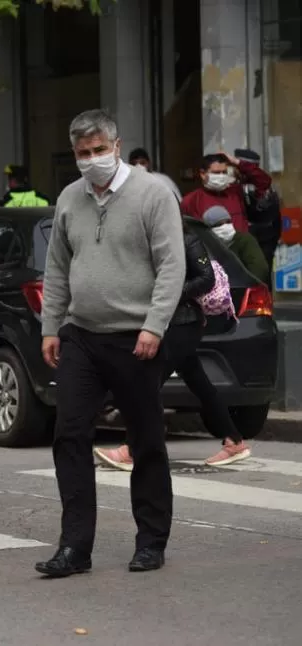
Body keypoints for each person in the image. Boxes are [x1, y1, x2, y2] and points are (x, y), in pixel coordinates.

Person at [35, 109, 185, 578]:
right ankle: (75, 548)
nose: (92, 160)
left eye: (100, 150)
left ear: (117, 147)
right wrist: (50, 326)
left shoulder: (152, 193)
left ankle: (151, 541)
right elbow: (58, 268)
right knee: (69, 435)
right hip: (82, 336)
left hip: (136, 339)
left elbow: (171, 265)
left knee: (145, 439)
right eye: (83, 153)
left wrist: (154, 325)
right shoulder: (68, 199)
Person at [94, 218, 252, 470]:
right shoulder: (156, 246)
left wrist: (170, 293)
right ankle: (234, 441)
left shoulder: (188, 241)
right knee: (200, 384)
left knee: (145, 383)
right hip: (170, 323)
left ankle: (132, 450)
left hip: (183, 324)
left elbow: (206, 279)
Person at [180, 152, 272, 234]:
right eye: (216, 173)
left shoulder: (235, 192)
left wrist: (237, 162)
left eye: (224, 172)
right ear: (203, 174)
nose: (221, 176)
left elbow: (264, 181)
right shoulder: (191, 200)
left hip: (239, 250)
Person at [235, 148, 281, 287]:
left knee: (261, 273)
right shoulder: (238, 184)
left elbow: (266, 215)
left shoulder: (261, 185)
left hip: (263, 236)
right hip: (247, 234)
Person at [202, 205, 270, 283]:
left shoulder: (244, 240)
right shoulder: (206, 245)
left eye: (228, 222)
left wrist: (246, 286)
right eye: (219, 224)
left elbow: (260, 268)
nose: (225, 226)